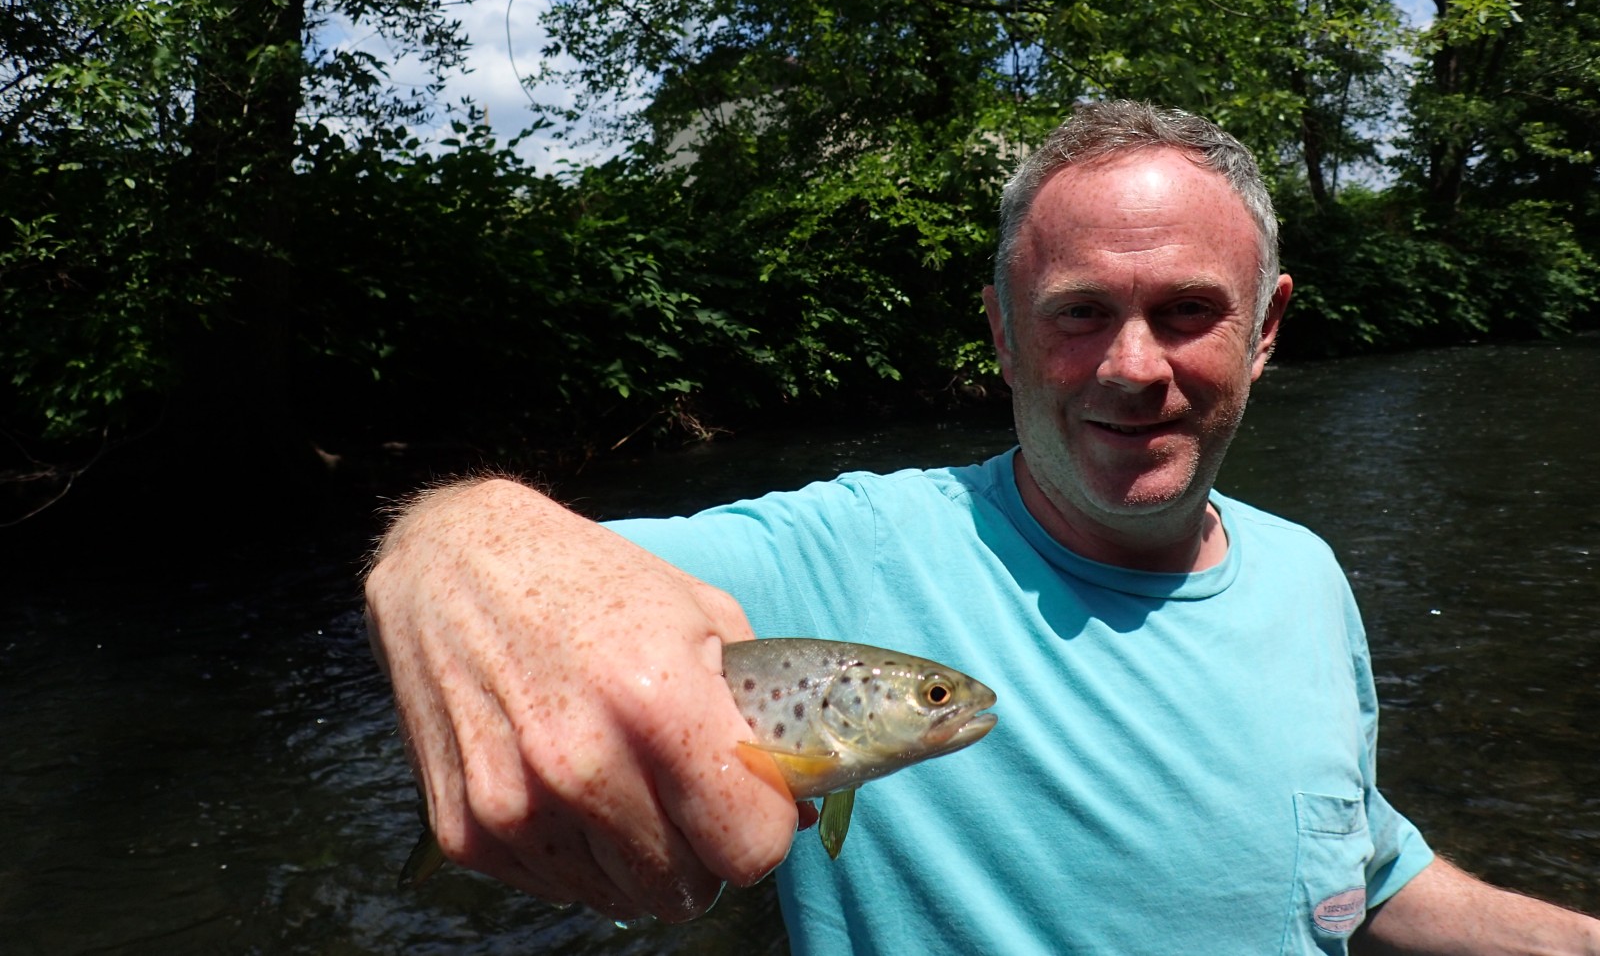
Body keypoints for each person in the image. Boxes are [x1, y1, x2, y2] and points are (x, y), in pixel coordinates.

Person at [365, 101, 1600, 953]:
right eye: (1076, 312)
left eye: (1184, 310)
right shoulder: (842, 552)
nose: (1132, 366)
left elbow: (1360, 878)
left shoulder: (1310, 573)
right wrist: (457, 543)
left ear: (1265, 329)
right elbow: (523, 563)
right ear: (1003, 332)